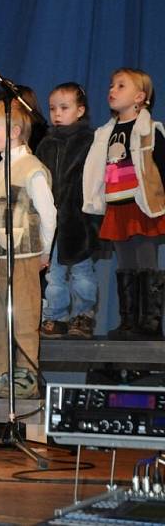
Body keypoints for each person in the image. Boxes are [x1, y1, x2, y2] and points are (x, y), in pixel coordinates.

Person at [0, 101, 55, 399]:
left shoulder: (31, 169)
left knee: (23, 314)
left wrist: (44, 251)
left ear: (15, 131)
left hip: (22, 258)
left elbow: (48, 214)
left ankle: (25, 371)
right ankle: (1, 369)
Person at [83, 68, 165, 339]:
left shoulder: (150, 131)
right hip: (117, 205)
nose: (112, 90)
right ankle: (128, 321)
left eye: (121, 86)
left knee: (146, 261)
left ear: (139, 97)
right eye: (111, 85)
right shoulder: (105, 133)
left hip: (141, 205)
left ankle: (150, 323)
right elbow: (97, 170)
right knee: (125, 264)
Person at [37, 83, 99, 339]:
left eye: (64, 107)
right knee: (54, 275)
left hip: (79, 220)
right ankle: (55, 316)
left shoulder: (90, 140)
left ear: (80, 110)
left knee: (83, 272)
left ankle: (83, 315)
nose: (57, 114)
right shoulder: (46, 143)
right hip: (53, 222)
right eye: (53, 108)